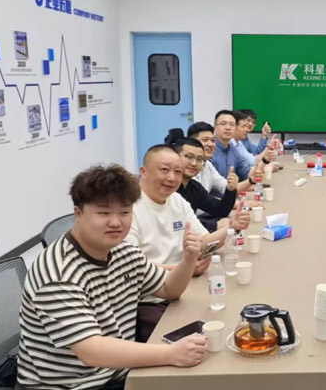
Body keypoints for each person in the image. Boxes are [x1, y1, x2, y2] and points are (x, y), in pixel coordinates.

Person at [18, 165, 208, 390]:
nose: (116, 222)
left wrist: (188, 259)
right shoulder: (58, 273)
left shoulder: (123, 251)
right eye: (104, 213)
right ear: (78, 214)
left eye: (125, 213)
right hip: (75, 385)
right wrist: (171, 353)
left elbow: (168, 289)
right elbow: (91, 351)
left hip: (118, 373)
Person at [174, 137, 241, 232]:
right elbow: (177, 224)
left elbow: (220, 210)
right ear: (175, 157)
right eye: (189, 157)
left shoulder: (194, 186)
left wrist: (230, 189)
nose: (194, 163)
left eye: (199, 159)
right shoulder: (168, 187)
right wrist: (215, 225)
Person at [186, 121, 261, 196]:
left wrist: (251, 180)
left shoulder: (207, 165)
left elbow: (227, 188)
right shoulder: (187, 166)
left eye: (213, 140)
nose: (210, 144)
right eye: (205, 140)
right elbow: (200, 199)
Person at [210, 110, 253, 180]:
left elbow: (245, 172)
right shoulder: (209, 150)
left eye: (232, 124)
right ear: (214, 128)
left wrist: (264, 161)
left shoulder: (233, 149)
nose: (228, 128)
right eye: (223, 124)